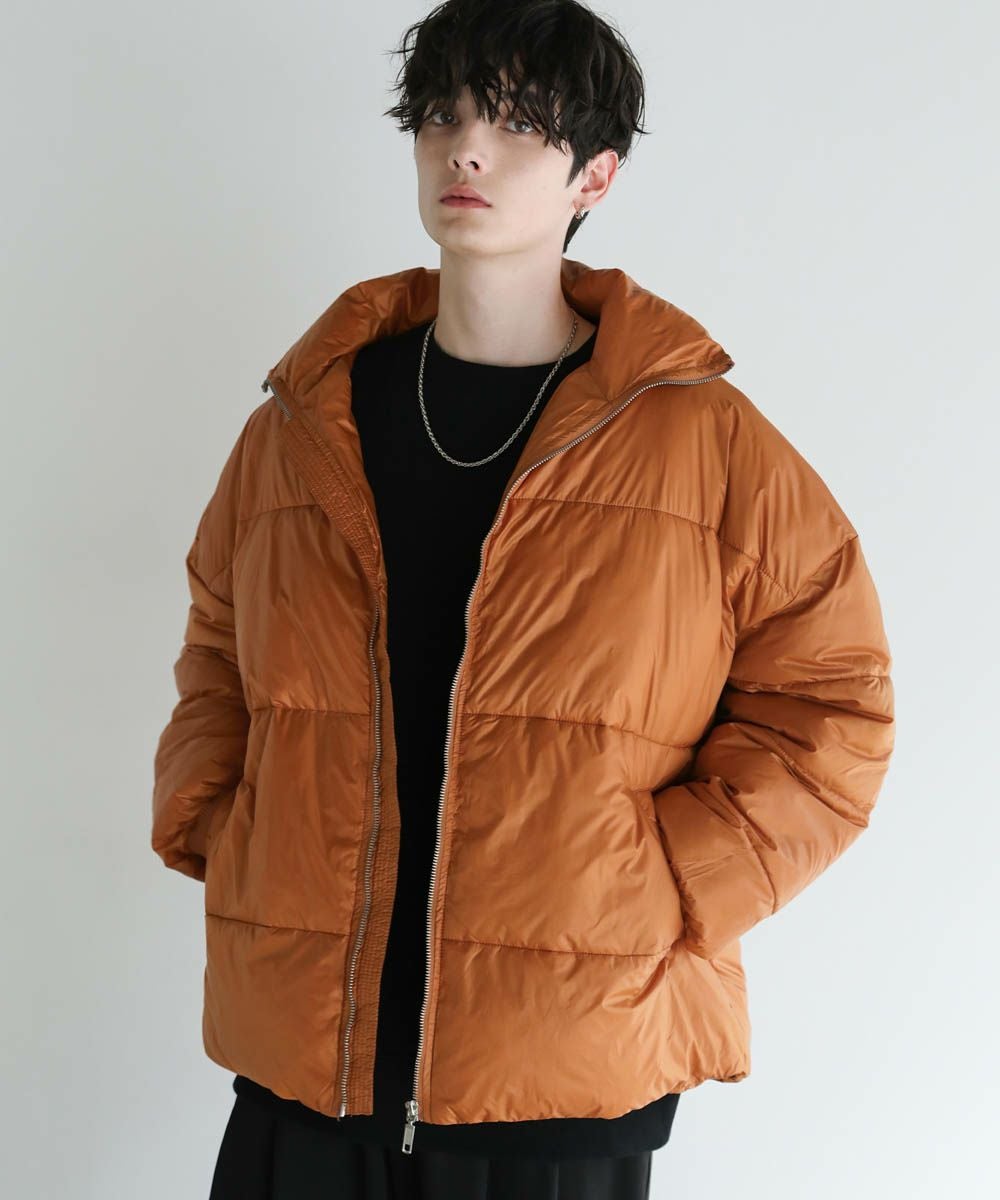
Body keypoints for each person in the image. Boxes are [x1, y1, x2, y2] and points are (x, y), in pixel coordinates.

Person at [151, 2, 896, 1197]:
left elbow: (832, 702)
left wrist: (658, 886)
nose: (466, 149)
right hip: (303, 1068)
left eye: (515, 124)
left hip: (562, 1081)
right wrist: (221, 821)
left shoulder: (704, 443)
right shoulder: (305, 425)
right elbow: (217, 641)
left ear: (594, 174)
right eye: (442, 117)